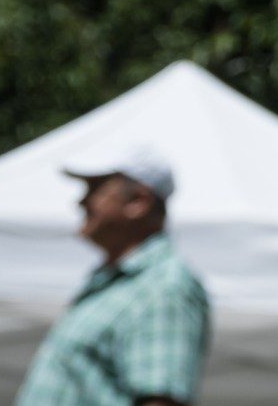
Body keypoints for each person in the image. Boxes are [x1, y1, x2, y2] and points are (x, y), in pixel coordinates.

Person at [17, 152, 208, 406]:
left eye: (94, 189)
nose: (81, 202)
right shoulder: (118, 281)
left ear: (138, 201)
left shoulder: (163, 287)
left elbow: (161, 400)